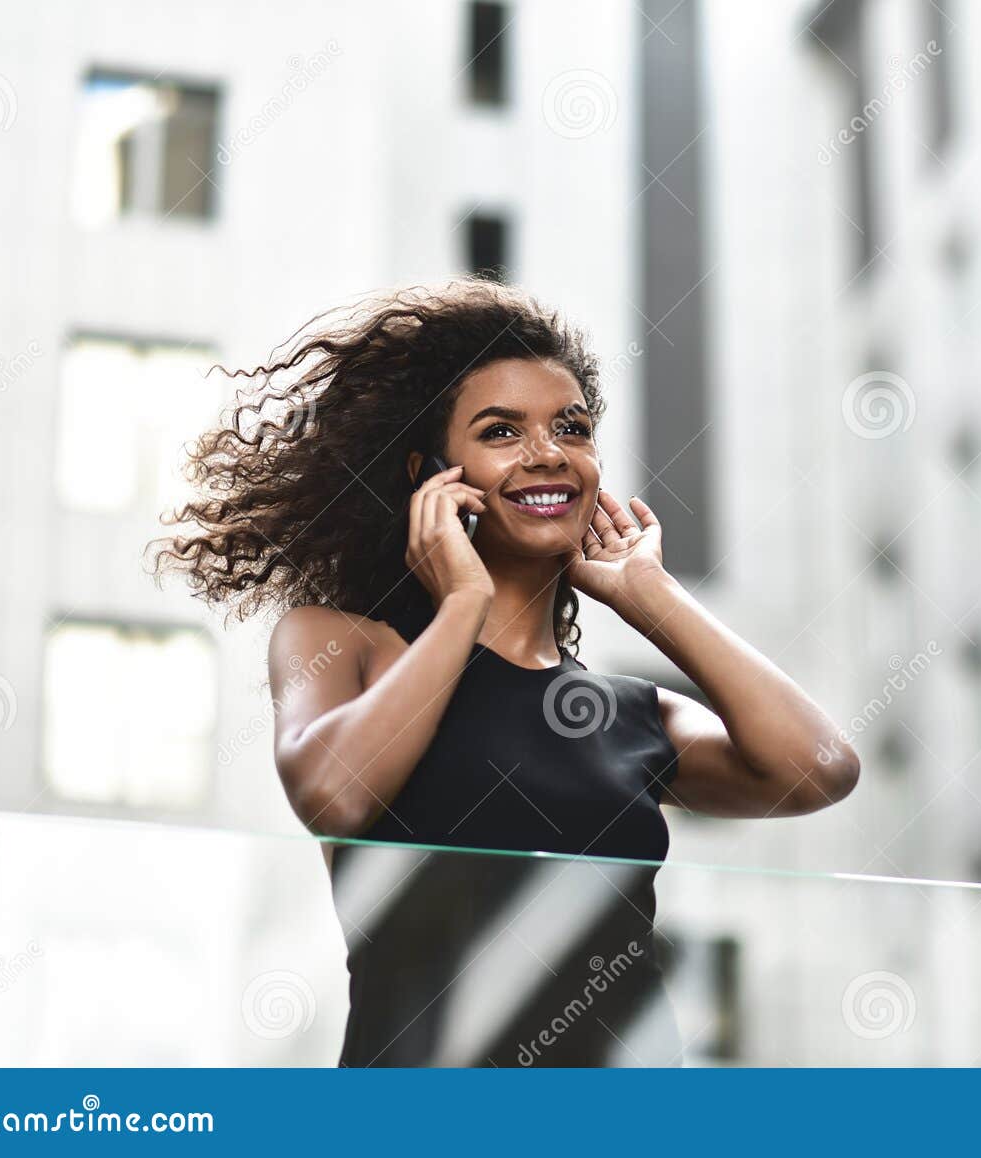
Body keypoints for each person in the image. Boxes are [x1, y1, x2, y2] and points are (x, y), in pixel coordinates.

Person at [150, 278, 860, 1065]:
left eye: (572, 427)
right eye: (501, 431)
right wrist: (461, 604)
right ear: (432, 476)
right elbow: (335, 792)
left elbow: (821, 768)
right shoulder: (344, 644)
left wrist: (649, 597)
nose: (548, 452)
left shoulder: (628, 714)